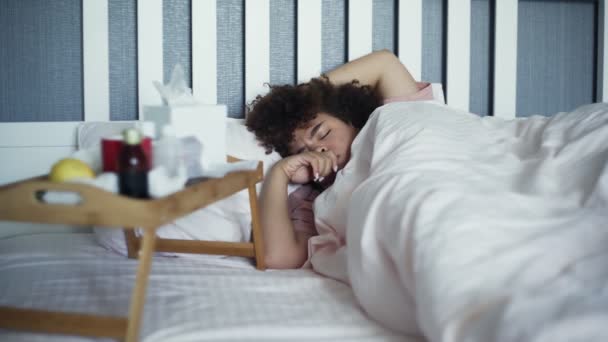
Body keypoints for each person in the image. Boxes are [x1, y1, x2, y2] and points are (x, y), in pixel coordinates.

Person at [245, 50, 434, 269]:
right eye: (302, 151)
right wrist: (280, 173)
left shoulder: (391, 128)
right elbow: (276, 258)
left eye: (323, 133)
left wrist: (302, 99)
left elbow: (385, 64)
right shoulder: (313, 200)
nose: (319, 148)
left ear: (351, 119)